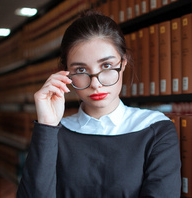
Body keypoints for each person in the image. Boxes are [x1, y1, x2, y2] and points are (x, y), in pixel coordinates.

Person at [17, 10, 181, 198]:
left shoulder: (155, 128)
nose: (96, 83)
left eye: (106, 66)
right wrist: (46, 125)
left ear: (124, 63)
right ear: (65, 74)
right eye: (80, 69)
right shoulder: (54, 133)